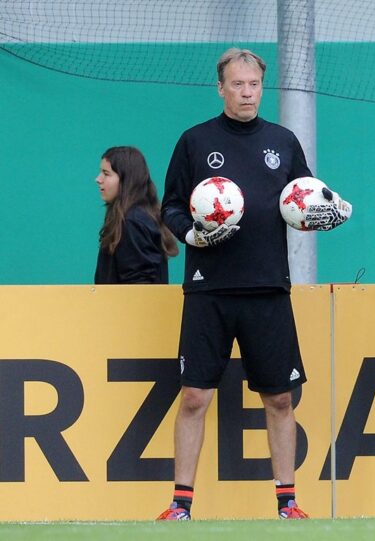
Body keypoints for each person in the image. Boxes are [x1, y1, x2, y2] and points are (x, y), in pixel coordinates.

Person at [158, 48, 351, 521]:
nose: (247, 93)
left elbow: (304, 200)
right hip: (209, 289)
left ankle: (288, 503)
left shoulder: (283, 142)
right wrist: (193, 234)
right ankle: (180, 506)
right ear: (220, 87)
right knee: (193, 396)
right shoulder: (195, 141)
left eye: (254, 85)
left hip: (268, 288)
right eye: (238, 84)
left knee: (280, 397)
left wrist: (329, 212)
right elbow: (172, 207)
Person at [94, 146, 178, 284]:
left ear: (127, 180)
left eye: (106, 173)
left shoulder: (132, 222)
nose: (98, 179)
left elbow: (139, 287)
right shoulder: (137, 217)